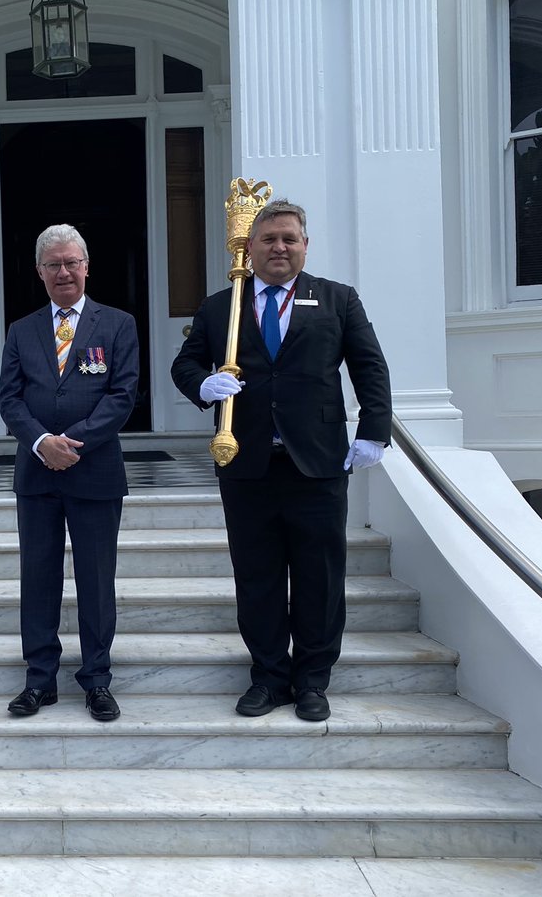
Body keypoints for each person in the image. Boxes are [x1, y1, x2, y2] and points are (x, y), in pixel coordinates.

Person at [171, 200, 391, 722]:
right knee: (257, 576)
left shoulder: (337, 300)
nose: (279, 248)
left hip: (315, 463)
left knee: (319, 576)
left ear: (305, 244)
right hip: (246, 463)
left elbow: (369, 367)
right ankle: (269, 677)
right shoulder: (221, 306)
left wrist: (374, 433)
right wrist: (203, 385)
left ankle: (313, 680)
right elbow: (186, 362)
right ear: (251, 247)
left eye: (289, 238)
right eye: (268, 239)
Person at [0, 224, 139, 722]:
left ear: (86, 266)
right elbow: (8, 397)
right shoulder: (22, 329)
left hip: (94, 471)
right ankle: (39, 680)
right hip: (37, 475)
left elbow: (123, 395)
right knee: (38, 578)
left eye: (72, 262)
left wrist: (72, 443)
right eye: (53, 264)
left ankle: (97, 679)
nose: (64, 272)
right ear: (39, 272)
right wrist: (40, 443)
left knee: (96, 581)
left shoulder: (118, 323)